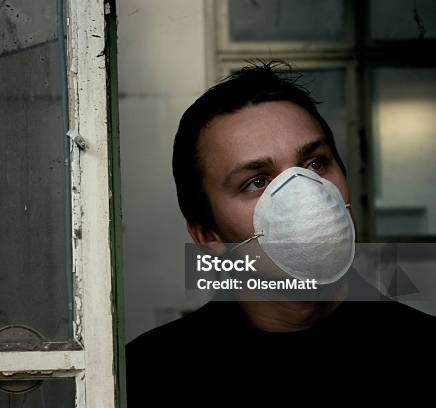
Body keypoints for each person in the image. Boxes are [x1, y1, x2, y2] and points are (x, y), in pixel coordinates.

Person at [125, 60, 436, 406]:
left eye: (315, 163)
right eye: (256, 182)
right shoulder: (146, 377)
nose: (305, 193)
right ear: (207, 235)